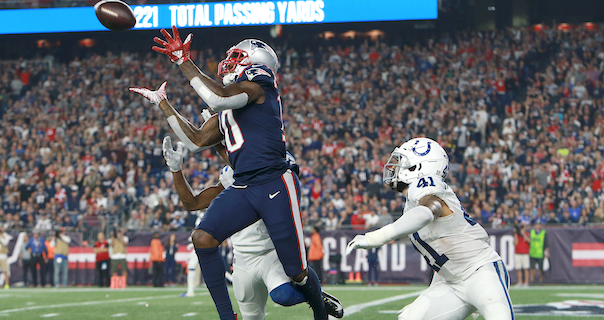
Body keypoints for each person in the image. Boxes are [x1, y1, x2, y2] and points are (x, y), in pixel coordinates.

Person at [131, 26, 332, 320]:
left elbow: (218, 98)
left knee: (298, 273)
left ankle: (320, 313)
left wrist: (182, 61)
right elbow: (196, 141)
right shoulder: (229, 105)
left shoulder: (259, 84)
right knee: (201, 238)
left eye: (238, 57)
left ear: (257, 62)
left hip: (273, 180)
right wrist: (163, 104)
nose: (229, 61)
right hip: (244, 185)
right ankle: (228, 317)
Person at [162, 136, 343, 319]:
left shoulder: (276, 161)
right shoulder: (229, 176)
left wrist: (216, 140)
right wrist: (176, 170)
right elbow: (193, 203)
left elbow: (258, 172)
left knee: (284, 296)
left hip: (272, 254)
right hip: (243, 259)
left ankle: (315, 297)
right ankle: (314, 294)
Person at [347, 138, 513, 320]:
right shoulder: (411, 202)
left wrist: (378, 237)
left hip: (481, 271)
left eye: (401, 161)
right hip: (450, 283)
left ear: (418, 168)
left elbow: (428, 211)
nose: (393, 166)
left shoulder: (425, 185)